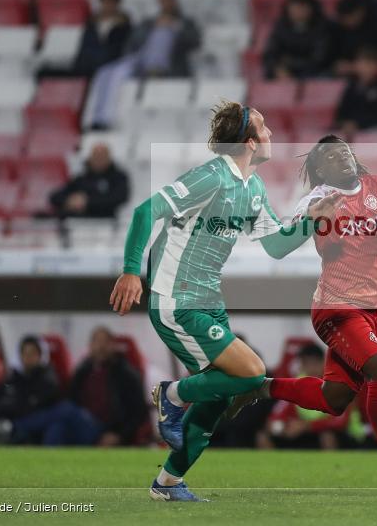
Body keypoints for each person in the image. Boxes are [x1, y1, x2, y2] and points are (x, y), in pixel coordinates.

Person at [109, 101, 341, 502]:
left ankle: (167, 483)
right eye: (263, 128)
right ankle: (172, 395)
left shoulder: (253, 188)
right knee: (251, 372)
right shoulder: (212, 176)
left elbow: (276, 245)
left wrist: (311, 220)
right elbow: (147, 211)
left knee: (222, 396)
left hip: (208, 299)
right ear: (249, 142)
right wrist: (131, 270)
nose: (271, 133)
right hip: (177, 298)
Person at [228, 135, 377, 493]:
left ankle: (259, 388)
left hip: (370, 310)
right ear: (320, 169)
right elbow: (287, 239)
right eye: (332, 155)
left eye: (345, 151)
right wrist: (310, 221)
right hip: (336, 307)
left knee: (334, 399)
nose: (342, 156)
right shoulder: (317, 199)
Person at [84, 0, 201, 130]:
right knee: (105, 72)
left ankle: (155, 71)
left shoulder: (185, 22)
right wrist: (154, 27)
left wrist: (174, 26)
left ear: (175, 0)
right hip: (140, 60)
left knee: (163, 33)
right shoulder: (149, 22)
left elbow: (195, 41)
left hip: (166, 66)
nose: (166, 3)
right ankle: (99, 118)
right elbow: (133, 42)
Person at [0, 336, 101, 446]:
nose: (29, 357)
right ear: (20, 356)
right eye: (25, 353)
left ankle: (46, 454)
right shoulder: (11, 381)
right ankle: (97, 436)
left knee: (57, 426)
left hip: (40, 423)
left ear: (40, 356)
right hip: (18, 422)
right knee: (66, 410)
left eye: (33, 353)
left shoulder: (46, 376)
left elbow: (45, 399)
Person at [257, 343, 351, 450]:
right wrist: (283, 428)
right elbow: (275, 418)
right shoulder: (295, 386)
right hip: (301, 435)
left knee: (327, 436)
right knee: (262, 436)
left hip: (324, 433)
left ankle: (333, 462)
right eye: (306, 364)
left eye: (314, 364)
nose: (311, 368)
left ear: (324, 364)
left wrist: (307, 426)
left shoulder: (334, 385)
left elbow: (340, 421)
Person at [68, 327, 148, 447]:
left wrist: (119, 435)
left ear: (113, 346)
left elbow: (139, 412)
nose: (101, 347)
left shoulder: (126, 374)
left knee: (63, 411)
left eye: (105, 342)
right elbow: (72, 401)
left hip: (111, 429)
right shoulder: (81, 372)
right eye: (97, 342)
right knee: (60, 423)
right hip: (82, 425)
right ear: (90, 346)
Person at [262, 0, 333, 80]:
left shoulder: (322, 28)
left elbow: (320, 59)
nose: (298, 11)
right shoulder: (281, 27)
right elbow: (270, 54)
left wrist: (290, 63)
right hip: (285, 73)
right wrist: (278, 69)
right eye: (295, 7)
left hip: (313, 73)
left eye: (302, 7)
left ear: (311, 9)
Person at [48, 143, 129, 219]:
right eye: (96, 156)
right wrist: (70, 201)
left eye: (102, 156)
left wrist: (87, 201)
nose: (99, 160)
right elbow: (55, 197)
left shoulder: (118, 177)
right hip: (77, 221)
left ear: (109, 158)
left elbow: (119, 197)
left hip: (106, 222)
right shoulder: (82, 178)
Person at [71, 0, 132, 78]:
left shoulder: (124, 26)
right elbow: (84, 47)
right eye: (104, 1)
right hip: (88, 66)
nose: (107, 5)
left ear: (116, 3)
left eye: (110, 1)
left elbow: (123, 49)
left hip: (112, 66)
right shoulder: (91, 24)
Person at [328, 0, 377, 77]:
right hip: (348, 73)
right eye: (344, 19)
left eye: (350, 17)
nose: (347, 22)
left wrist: (358, 66)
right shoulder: (339, 29)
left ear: (360, 12)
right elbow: (333, 55)